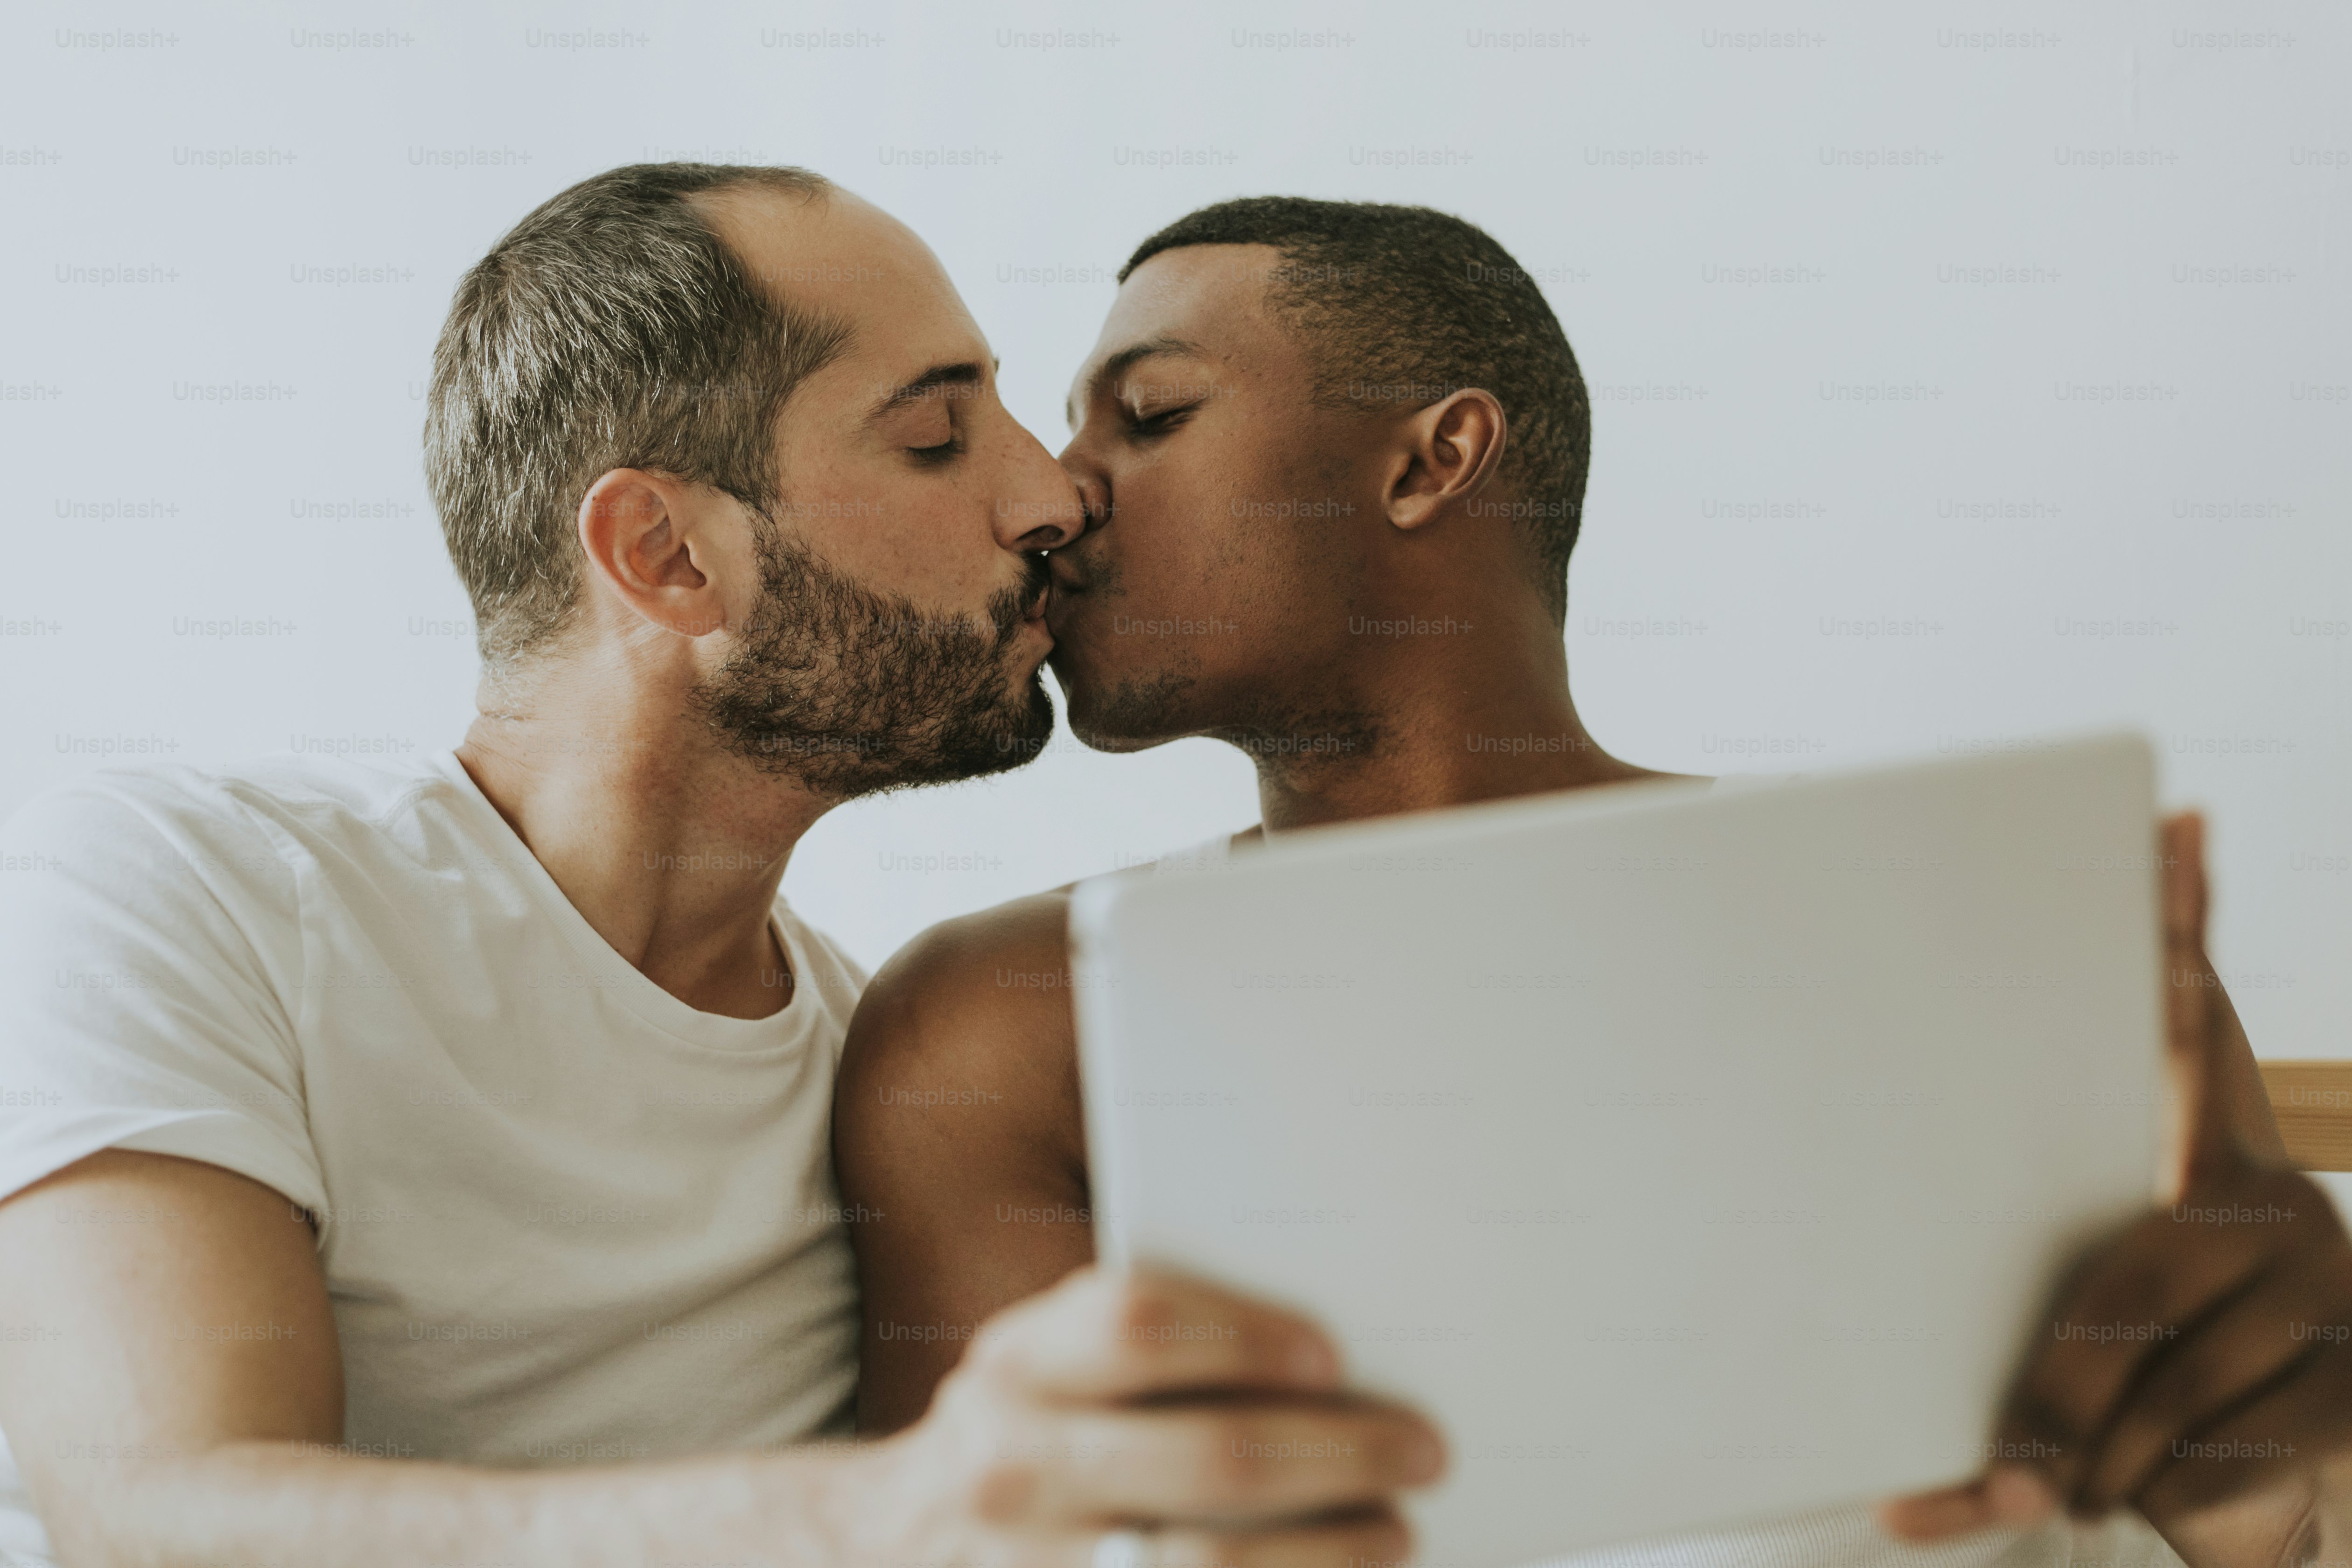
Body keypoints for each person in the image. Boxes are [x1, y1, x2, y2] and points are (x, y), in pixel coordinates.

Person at [834, 197, 2352, 1568]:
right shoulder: (1010, 1031)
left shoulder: (2004, 917)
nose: (1056, 493)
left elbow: (2278, 1522)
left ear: (1433, 460)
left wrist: (2312, 1419)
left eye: (1149, 414)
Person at [0, 167, 1441, 1568]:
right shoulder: (182, 890)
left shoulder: (895, 1078)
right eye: (938, 438)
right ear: (667, 553)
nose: (1049, 500)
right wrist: (887, 1515)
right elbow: (154, 1521)